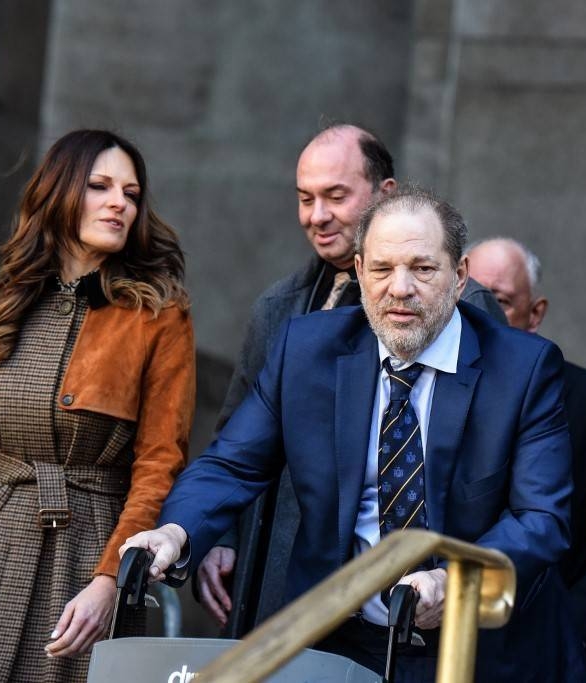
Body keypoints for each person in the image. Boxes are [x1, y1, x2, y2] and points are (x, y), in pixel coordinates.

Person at [124, 186, 586, 681]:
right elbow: (233, 463)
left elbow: (540, 518)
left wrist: (451, 582)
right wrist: (176, 531)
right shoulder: (306, 350)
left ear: (458, 279)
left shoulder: (522, 368)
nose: (401, 288)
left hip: (478, 648)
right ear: (361, 271)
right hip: (338, 636)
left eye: (423, 268)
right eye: (383, 269)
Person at [0, 129, 195, 682]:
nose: (119, 202)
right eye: (100, 186)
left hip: (82, 558)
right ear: (60, 193)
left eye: (131, 192)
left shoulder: (159, 316)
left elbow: (158, 466)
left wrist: (110, 579)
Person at [199, 123, 505, 633]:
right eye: (305, 198)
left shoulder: (460, 307)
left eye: (335, 196)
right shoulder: (278, 307)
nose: (317, 216)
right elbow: (234, 437)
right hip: (282, 576)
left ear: (385, 194)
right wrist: (221, 535)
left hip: (406, 591)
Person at [466, 237, 586, 681]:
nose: (482, 315)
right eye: (469, 297)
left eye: (499, 301)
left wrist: (568, 629)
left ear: (535, 314)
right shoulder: (427, 392)